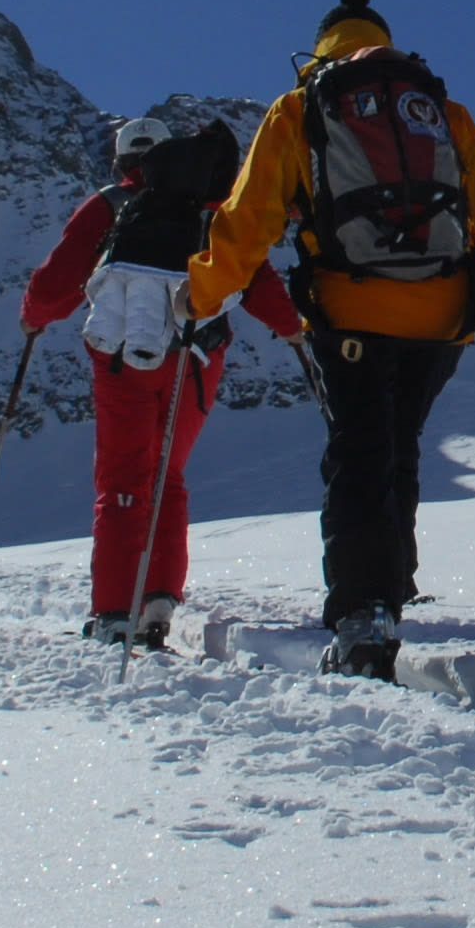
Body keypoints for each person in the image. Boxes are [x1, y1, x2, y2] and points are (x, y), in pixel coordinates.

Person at [189, 0, 475, 679]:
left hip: (349, 312)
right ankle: (390, 586)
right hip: (441, 319)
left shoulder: (301, 107)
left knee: (359, 450)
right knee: (397, 442)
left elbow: (248, 222)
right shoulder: (438, 110)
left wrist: (200, 294)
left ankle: (363, 617)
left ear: (318, 50)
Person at [20, 115, 300, 648]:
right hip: (197, 357)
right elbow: (252, 273)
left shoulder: (108, 205)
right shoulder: (210, 207)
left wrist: (34, 318)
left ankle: (114, 612)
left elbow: (58, 282)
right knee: (166, 475)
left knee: (125, 478)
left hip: (124, 358)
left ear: (123, 162)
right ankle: (158, 603)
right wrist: (291, 328)